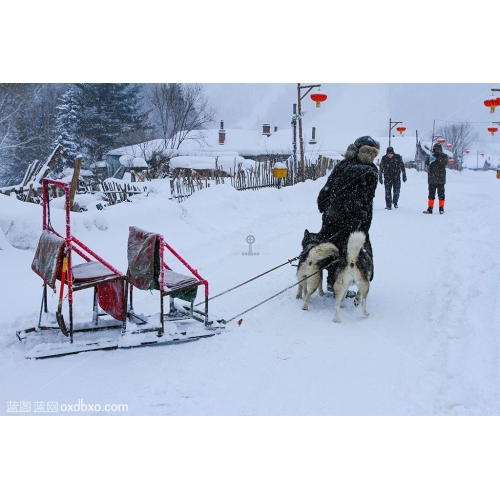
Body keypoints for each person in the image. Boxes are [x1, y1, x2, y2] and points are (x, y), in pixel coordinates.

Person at [317, 135, 379, 291]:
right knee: (349, 252)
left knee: (331, 248)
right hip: (352, 220)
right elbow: (365, 200)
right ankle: (344, 283)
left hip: (332, 217)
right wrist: (360, 220)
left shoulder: (341, 166)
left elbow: (325, 190)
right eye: (369, 152)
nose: (371, 156)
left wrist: (327, 209)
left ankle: (331, 282)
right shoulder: (370, 171)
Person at [423, 142, 448, 214]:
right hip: (432, 179)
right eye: (435, 149)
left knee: (441, 195)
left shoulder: (444, 156)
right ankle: (430, 208)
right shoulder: (431, 156)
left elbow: (444, 163)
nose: (437, 150)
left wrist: (438, 157)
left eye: (438, 149)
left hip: (441, 179)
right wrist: (431, 157)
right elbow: (427, 163)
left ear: (440, 150)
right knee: (431, 195)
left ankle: (441, 208)